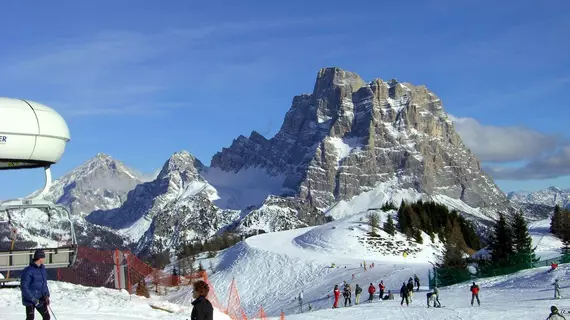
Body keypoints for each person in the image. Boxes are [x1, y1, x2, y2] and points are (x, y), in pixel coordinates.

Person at [21, 249, 51, 320]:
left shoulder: (42, 269)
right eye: (43, 257)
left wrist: (46, 295)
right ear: (40, 258)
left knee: (46, 317)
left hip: (41, 298)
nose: (44, 259)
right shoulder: (28, 271)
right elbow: (24, 287)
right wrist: (34, 300)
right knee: (30, 318)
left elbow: (44, 284)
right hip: (30, 300)